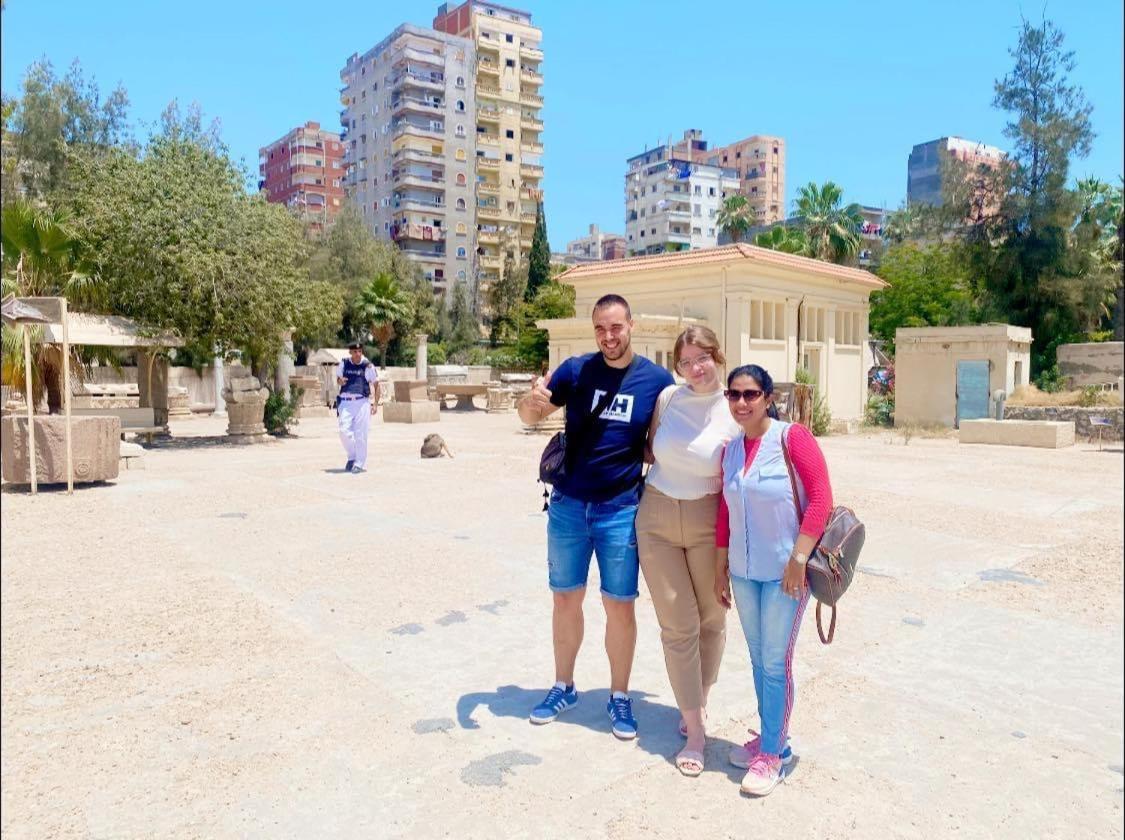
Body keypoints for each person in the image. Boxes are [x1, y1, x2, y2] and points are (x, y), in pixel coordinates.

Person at [517, 294, 674, 740]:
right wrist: (530, 400)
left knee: (619, 605)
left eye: (616, 327)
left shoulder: (656, 381)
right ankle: (563, 686)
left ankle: (619, 695)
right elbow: (530, 416)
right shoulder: (575, 370)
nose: (609, 336)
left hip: (621, 509)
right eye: (601, 329)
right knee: (565, 599)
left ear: (631, 325)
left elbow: (661, 442)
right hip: (568, 505)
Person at [713, 364, 833, 797]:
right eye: (734, 394)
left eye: (750, 394)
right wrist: (720, 567)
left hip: (786, 574)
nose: (741, 402)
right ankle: (769, 736)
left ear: (767, 398)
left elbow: (821, 499)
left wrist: (799, 559)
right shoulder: (730, 450)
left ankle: (772, 753)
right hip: (744, 573)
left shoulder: (791, 438)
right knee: (758, 658)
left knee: (775, 661)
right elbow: (725, 511)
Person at [637, 326, 740, 776]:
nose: (695, 368)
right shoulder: (668, 399)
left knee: (712, 618)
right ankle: (696, 732)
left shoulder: (735, 407)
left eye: (702, 358)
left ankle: (697, 699)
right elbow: (648, 450)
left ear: (717, 356)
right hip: (657, 515)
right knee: (678, 625)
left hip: (708, 519)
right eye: (685, 362)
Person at [335, 342, 380, 473]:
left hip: (362, 403)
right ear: (350, 352)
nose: (358, 354)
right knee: (343, 431)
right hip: (346, 402)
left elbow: (376, 385)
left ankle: (359, 463)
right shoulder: (344, 363)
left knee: (361, 434)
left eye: (360, 351)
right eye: (355, 351)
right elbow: (338, 379)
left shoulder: (367, 366)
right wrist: (340, 381)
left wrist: (375, 404)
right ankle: (353, 455)